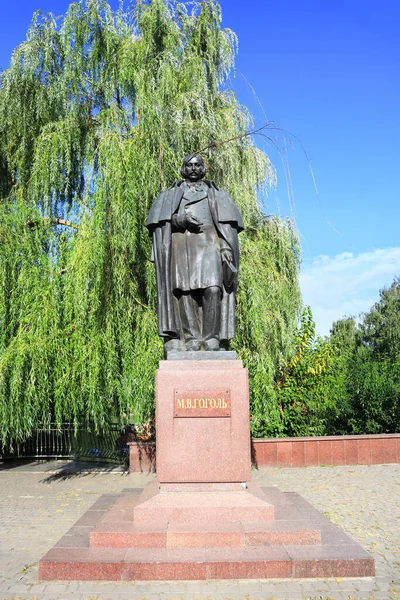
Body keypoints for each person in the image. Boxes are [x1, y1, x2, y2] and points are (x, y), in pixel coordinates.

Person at [145, 154, 244, 353]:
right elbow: (159, 222)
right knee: (185, 292)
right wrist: (180, 220)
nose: (193, 168)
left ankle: (212, 338)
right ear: (183, 169)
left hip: (210, 244)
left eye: (197, 165)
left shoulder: (217, 194)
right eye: (188, 165)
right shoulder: (169, 195)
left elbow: (226, 227)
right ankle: (190, 338)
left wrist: (225, 248)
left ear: (203, 169)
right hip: (181, 245)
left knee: (213, 289)